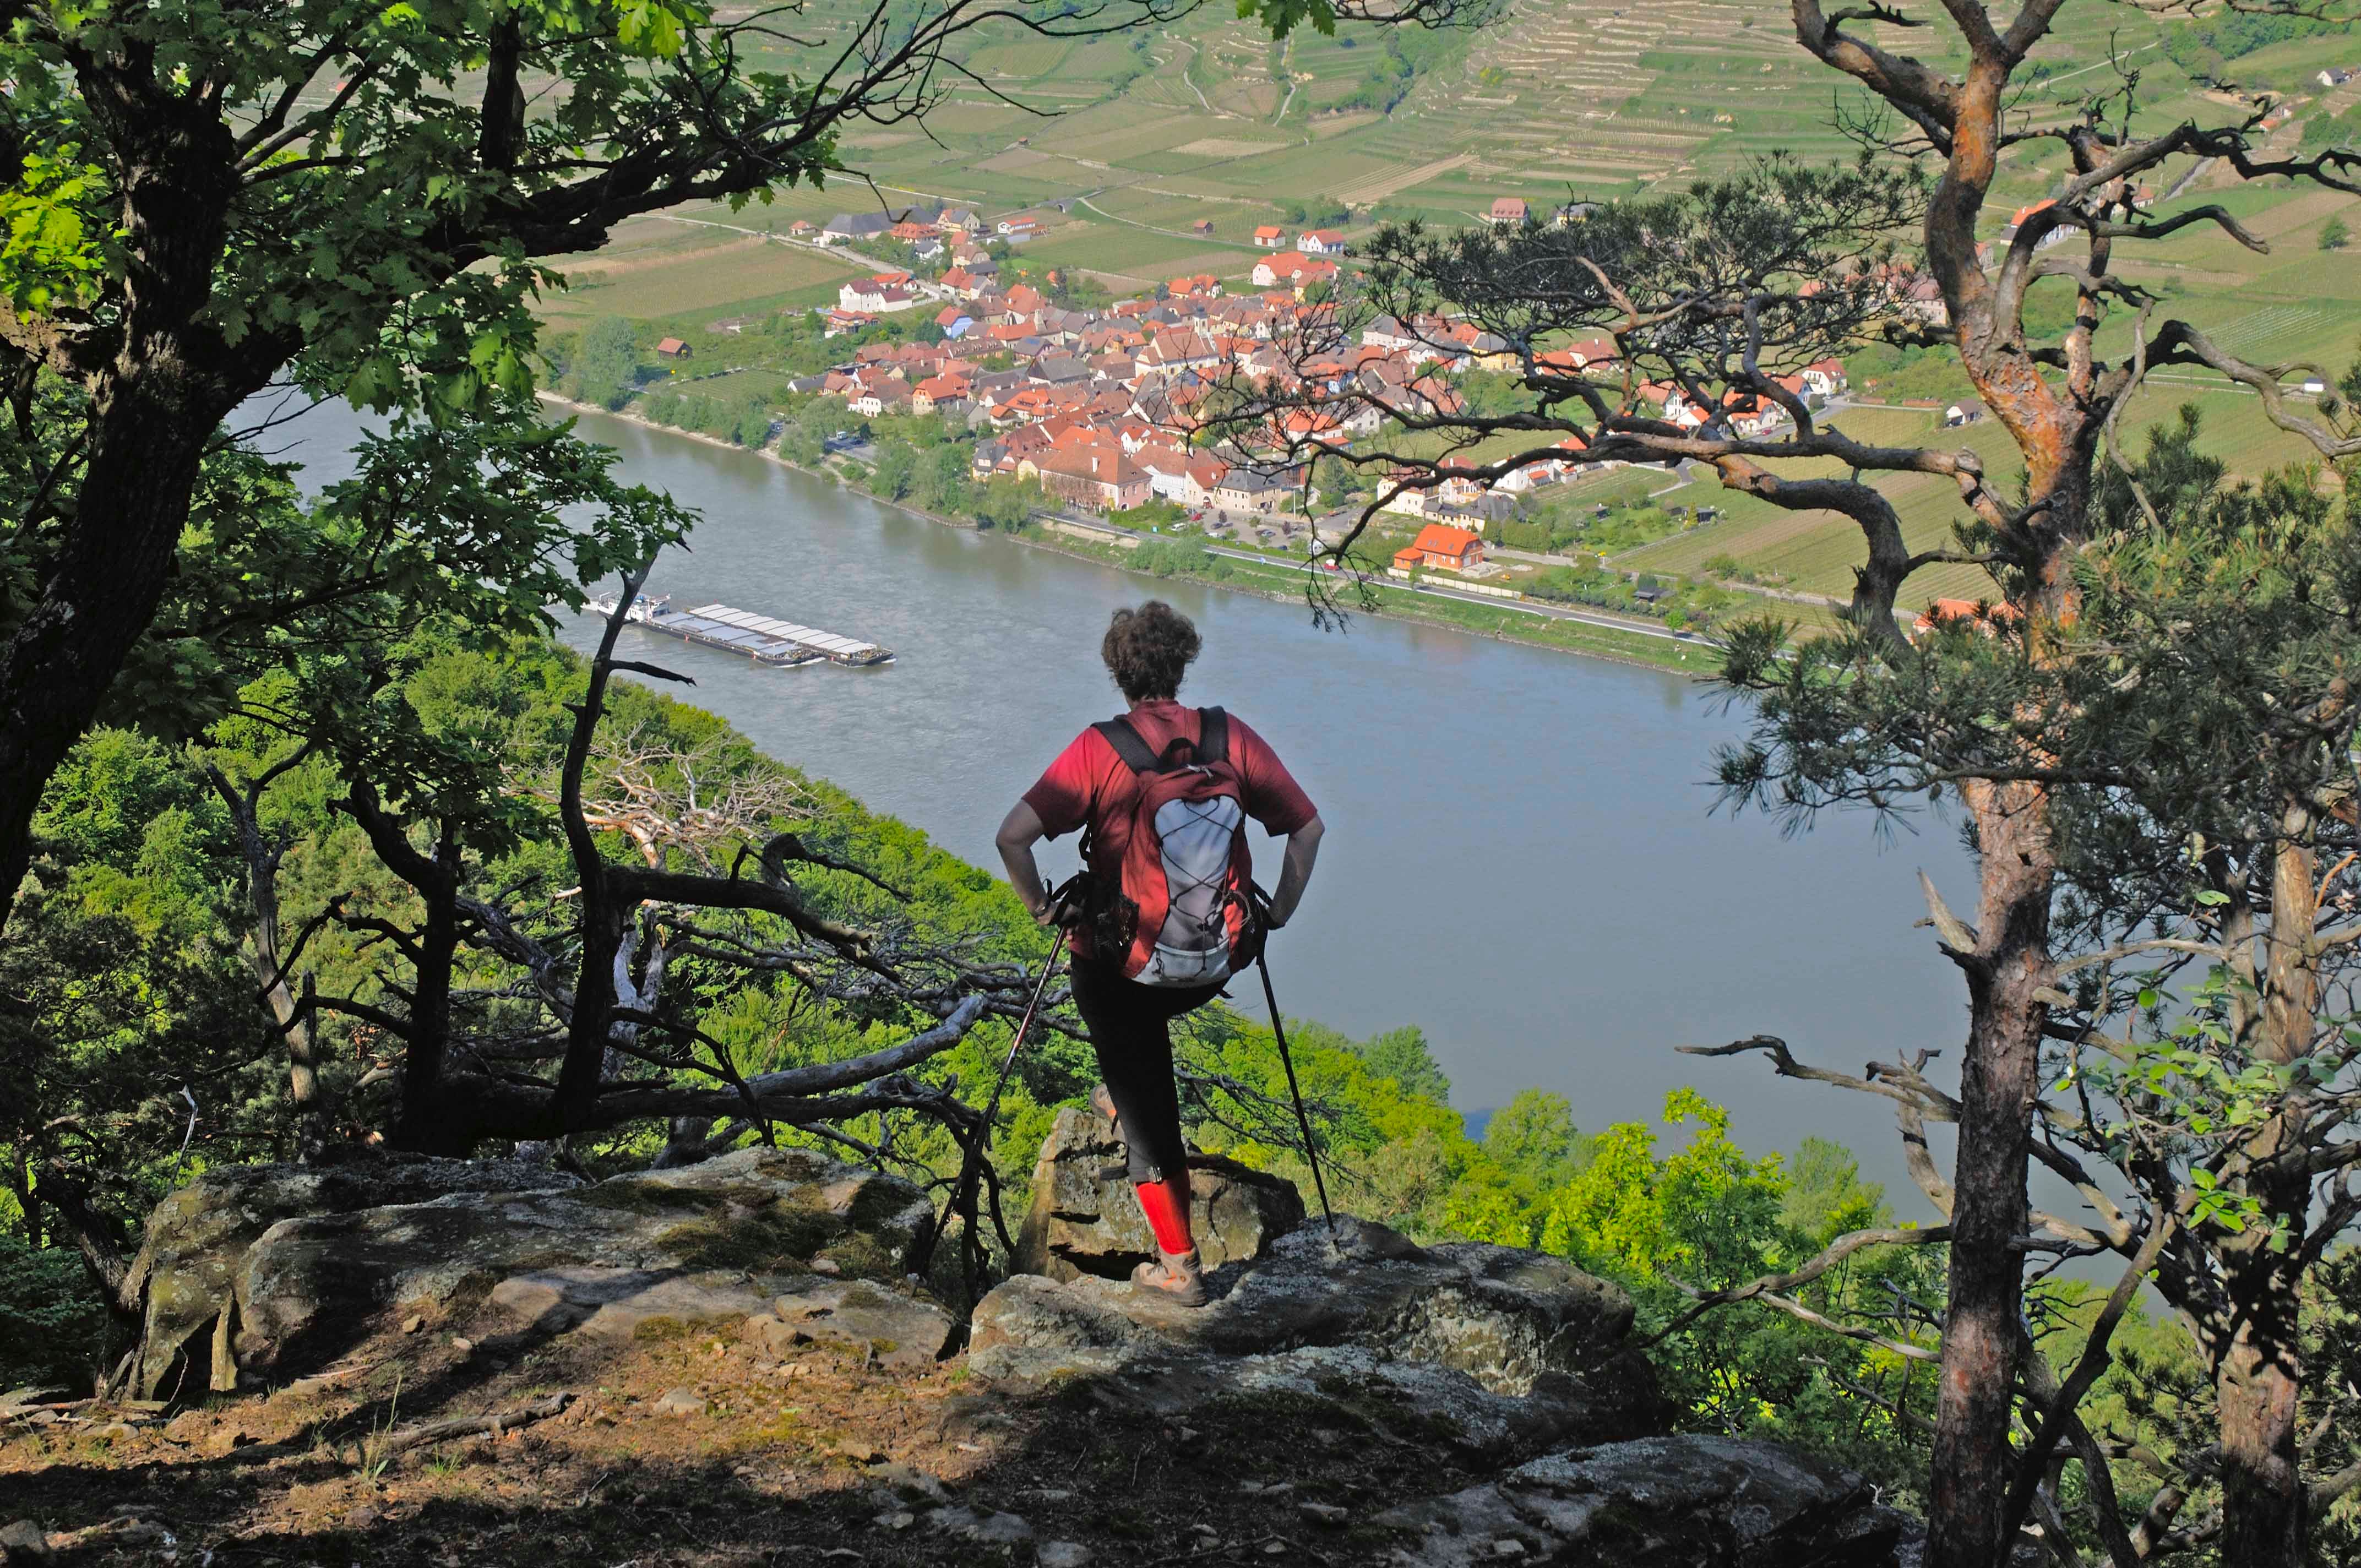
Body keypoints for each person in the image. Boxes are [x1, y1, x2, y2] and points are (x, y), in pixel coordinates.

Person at [997, 602, 1324, 1306]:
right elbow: (1307, 828)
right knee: (1136, 1060)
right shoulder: (1229, 737)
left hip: (1122, 973)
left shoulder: (1100, 749)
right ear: (1182, 664)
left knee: (1143, 1095)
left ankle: (1179, 1268)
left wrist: (1042, 908)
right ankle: (1127, 1102)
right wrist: (1278, 912)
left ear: (1118, 673)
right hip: (1212, 964)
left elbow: (1012, 837)